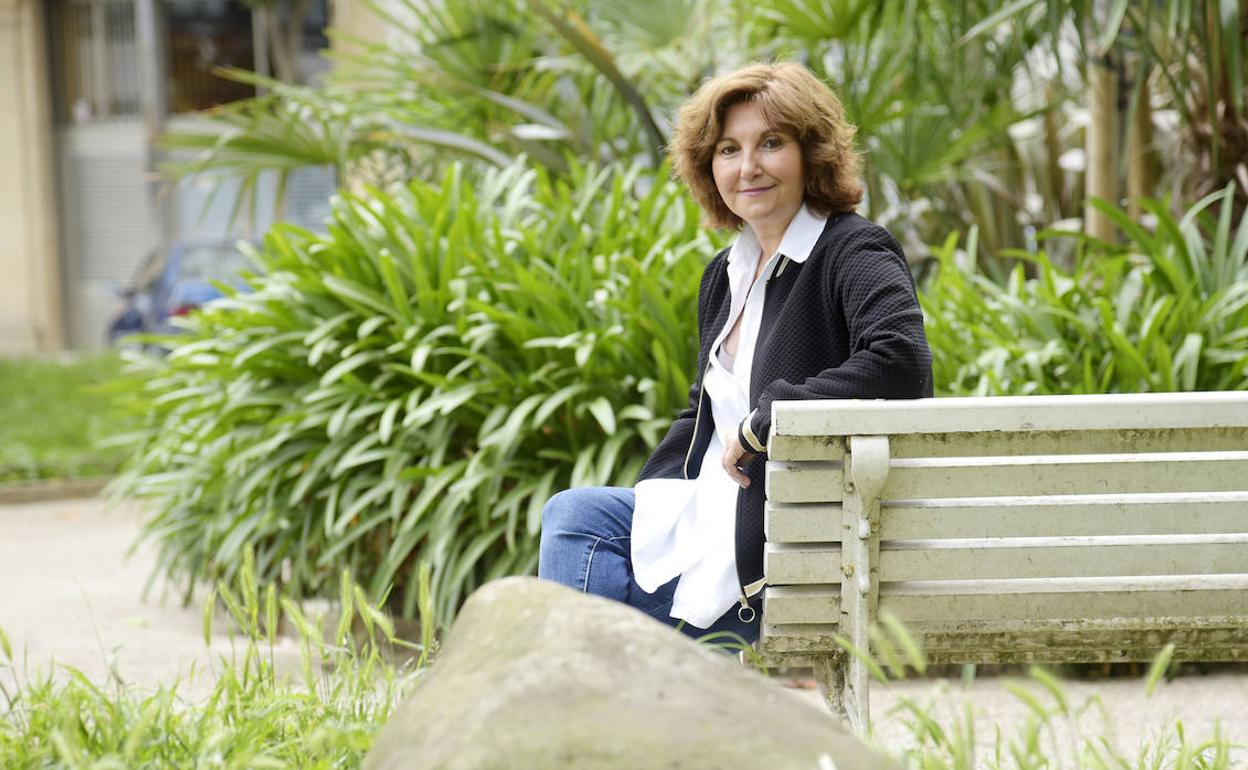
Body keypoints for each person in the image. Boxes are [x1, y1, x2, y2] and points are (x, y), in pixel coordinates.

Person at [538, 62, 933, 643]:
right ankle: (606, 701)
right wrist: (659, 495)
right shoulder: (725, 276)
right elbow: (705, 409)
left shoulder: (850, 249)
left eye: (771, 143)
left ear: (811, 154)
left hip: (787, 545)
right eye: (728, 149)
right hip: (711, 515)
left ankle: (586, 706)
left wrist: (770, 417)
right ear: (708, 166)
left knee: (589, 607)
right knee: (578, 519)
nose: (748, 167)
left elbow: (902, 361)